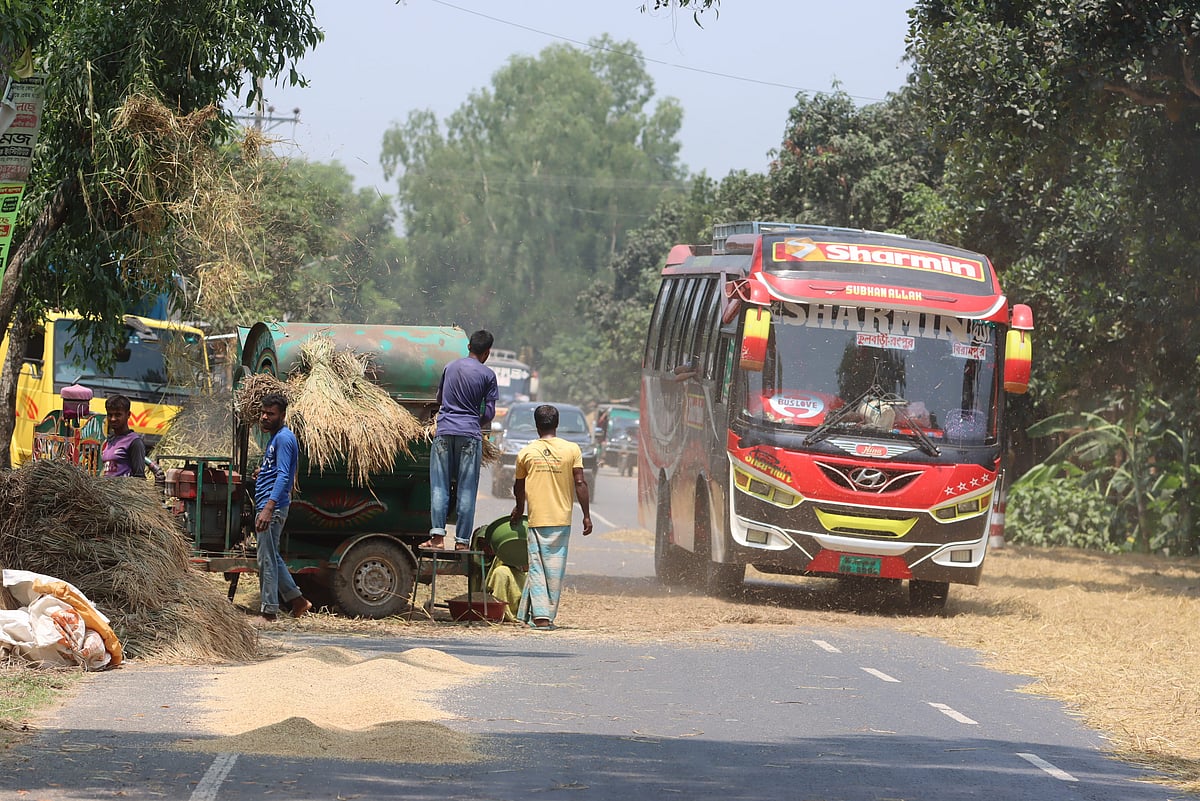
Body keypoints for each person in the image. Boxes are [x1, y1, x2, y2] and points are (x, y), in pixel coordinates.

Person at [509, 404, 593, 630]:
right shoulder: (572, 449)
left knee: (537, 567)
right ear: (557, 424)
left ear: (536, 425)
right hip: (562, 518)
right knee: (554, 570)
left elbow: (519, 486)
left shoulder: (526, 452)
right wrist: (586, 515)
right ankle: (543, 618)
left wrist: (519, 508)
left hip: (537, 519)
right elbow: (580, 483)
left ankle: (529, 615)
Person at [422, 329, 499, 551]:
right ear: (487, 352)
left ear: (468, 347)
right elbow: (490, 412)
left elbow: (439, 399)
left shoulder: (449, 367)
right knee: (466, 489)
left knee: (440, 486)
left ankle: (437, 538)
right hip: (470, 435)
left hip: (444, 431)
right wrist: (475, 421)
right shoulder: (487, 375)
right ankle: (462, 543)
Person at [253, 392, 311, 621]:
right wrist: (263, 472)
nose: (265, 417)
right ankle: (298, 601)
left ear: (283, 415)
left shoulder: (285, 438)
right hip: (268, 502)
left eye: (271, 414)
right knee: (272, 556)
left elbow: (285, 475)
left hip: (272, 507)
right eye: (263, 412)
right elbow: (276, 470)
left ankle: (269, 611)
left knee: (266, 559)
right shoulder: (275, 437)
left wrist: (268, 508)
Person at [101, 395, 146, 478]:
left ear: (128, 415)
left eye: (118, 415)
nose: (113, 419)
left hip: (123, 490)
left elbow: (139, 478)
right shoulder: (109, 442)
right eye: (110, 415)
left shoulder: (134, 442)